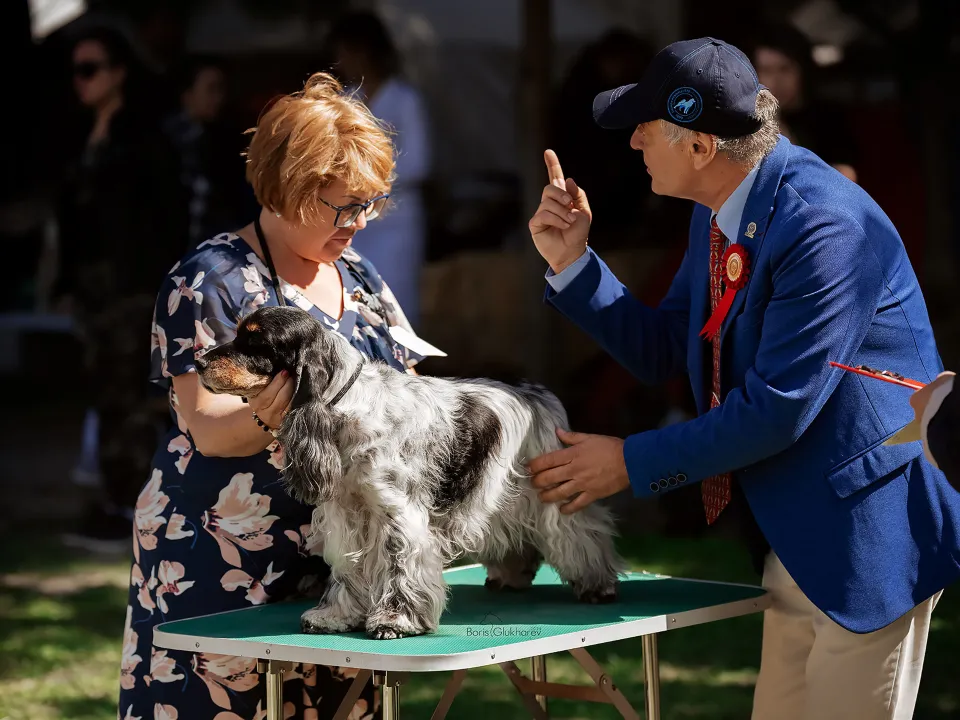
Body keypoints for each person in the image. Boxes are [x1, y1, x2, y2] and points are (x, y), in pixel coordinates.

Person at [525, 37, 960, 720]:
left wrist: (629, 464)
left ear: (700, 147)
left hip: (868, 540)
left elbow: (776, 410)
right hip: (801, 534)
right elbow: (672, 350)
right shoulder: (726, 206)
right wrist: (575, 264)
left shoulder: (824, 223)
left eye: (647, 125)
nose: (634, 140)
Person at [118, 72, 429, 720]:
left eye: (370, 204)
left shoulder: (362, 280)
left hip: (342, 565)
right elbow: (207, 426)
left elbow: (406, 395)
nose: (361, 223)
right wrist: (319, 410)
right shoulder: (210, 281)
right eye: (344, 206)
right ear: (289, 186)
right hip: (224, 562)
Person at [58, 26, 187, 551]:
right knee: (106, 401)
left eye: (90, 69)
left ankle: (133, 509)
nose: (80, 82)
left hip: (132, 294)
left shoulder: (144, 140)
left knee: (132, 401)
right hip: (94, 296)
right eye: (76, 71)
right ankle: (115, 504)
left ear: (118, 74)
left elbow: (163, 218)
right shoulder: (84, 136)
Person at [329, 10, 430, 327]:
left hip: (396, 214)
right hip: (349, 215)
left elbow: (419, 162)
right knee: (350, 298)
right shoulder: (346, 100)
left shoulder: (404, 99)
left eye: (345, 51)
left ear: (364, 51)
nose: (341, 60)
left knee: (396, 301)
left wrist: (364, 172)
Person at [752, 23, 859, 183]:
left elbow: (846, 176)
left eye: (784, 69)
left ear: (803, 70)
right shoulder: (747, 119)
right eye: (766, 70)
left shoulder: (828, 117)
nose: (775, 82)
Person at [164, 55, 250, 248]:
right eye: (211, 89)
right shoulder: (161, 142)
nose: (218, 98)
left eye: (221, 89)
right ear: (187, 93)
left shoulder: (225, 140)